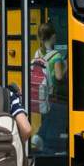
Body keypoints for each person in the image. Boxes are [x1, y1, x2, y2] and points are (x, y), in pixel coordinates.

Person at [31, 23, 67, 155]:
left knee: (52, 117)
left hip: (40, 94)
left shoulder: (38, 52)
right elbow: (59, 76)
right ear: (53, 36)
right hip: (53, 95)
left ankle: (39, 136)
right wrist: (67, 66)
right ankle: (48, 150)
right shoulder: (56, 55)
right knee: (58, 121)